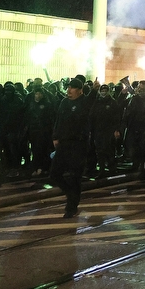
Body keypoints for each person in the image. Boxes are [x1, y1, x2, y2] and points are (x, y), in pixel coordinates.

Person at [50, 78, 94, 218]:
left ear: (80, 90)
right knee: (55, 173)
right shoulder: (64, 102)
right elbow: (58, 120)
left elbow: (91, 101)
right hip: (64, 143)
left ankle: (72, 206)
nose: (69, 90)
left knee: (75, 176)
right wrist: (55, 137)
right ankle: (71, 195)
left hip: (79, 144)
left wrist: (94, 90)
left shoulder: (84, 102)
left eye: (72, 88)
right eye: (68, 87)